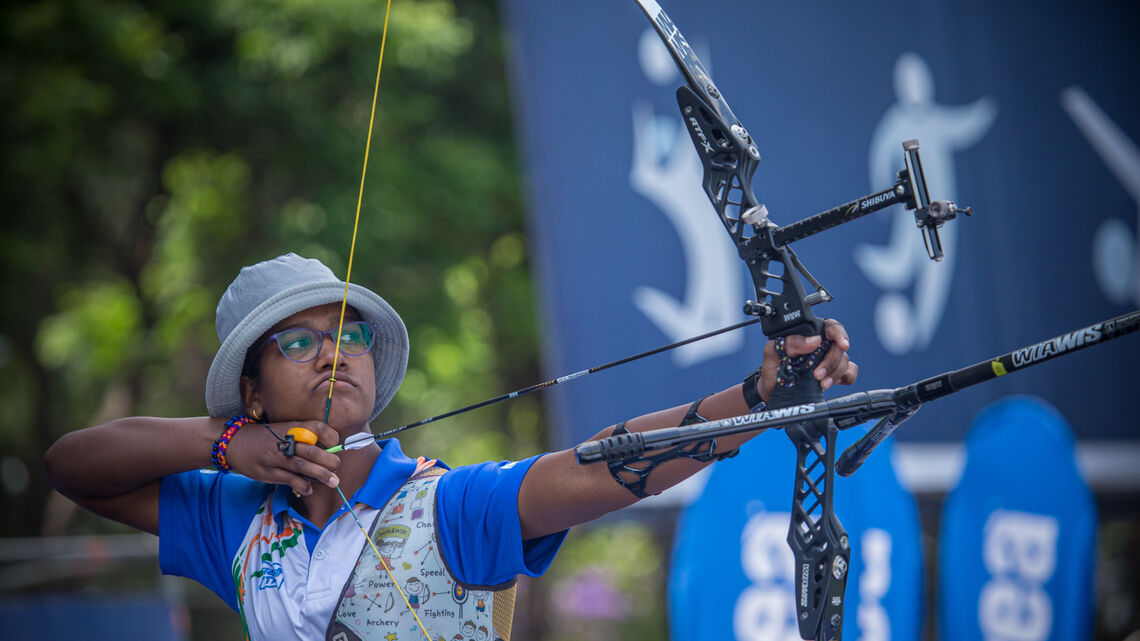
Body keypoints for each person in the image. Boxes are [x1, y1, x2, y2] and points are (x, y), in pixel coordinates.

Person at [45, 253, 857, 640]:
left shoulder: (446, 507)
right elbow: (72, 466)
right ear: (252, 391)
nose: (333, 352)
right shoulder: (240, 522)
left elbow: (607, 465)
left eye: (349, 333)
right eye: (297, 341)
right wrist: (225, 444)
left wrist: (757, 399)